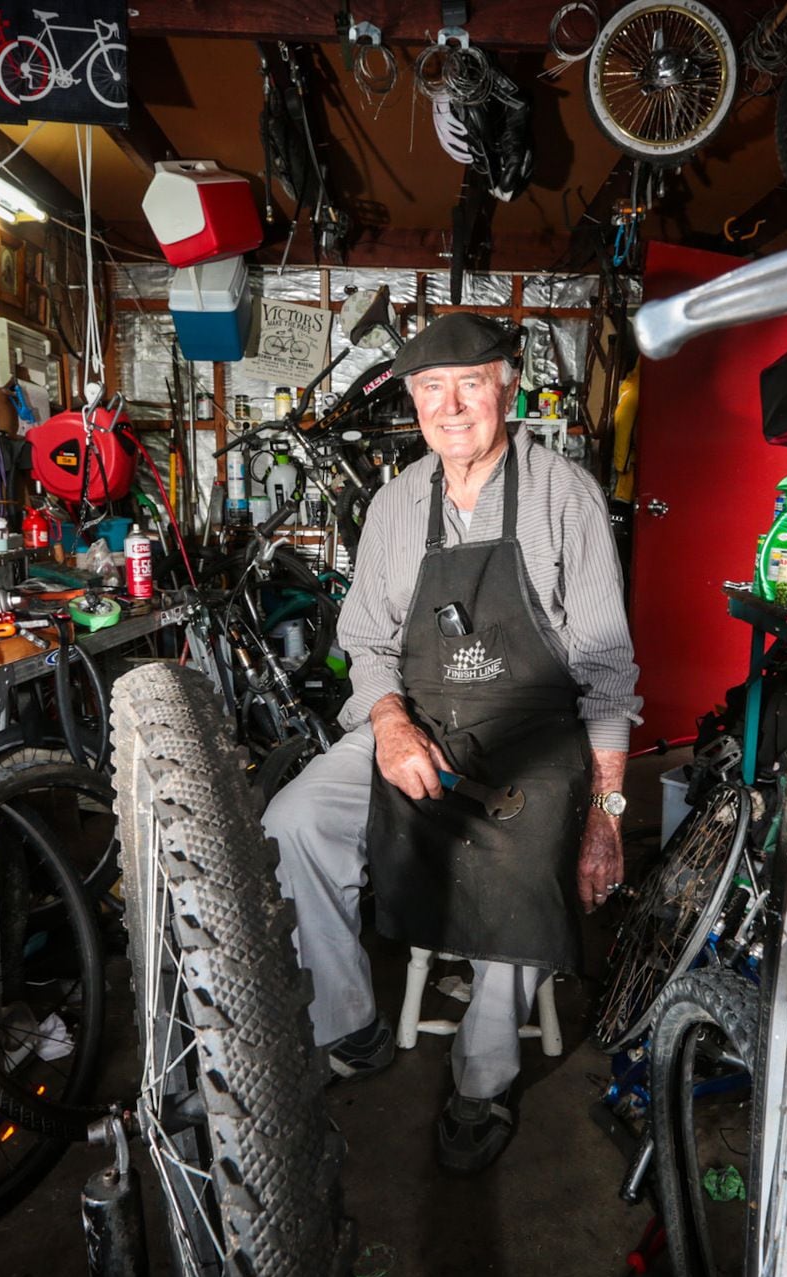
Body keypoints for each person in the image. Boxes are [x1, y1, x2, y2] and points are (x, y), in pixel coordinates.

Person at [263, 313, 641, 1173]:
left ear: (507, 382)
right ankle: (348, 1023)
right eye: (431, 388)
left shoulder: (562, 493)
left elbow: (608, 671)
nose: (452, 404)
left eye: (471, 381)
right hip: (418, 721)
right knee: (294, 821)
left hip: (532, 733)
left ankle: (485, 1070)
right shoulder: (397, 504)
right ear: (413, 402)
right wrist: (389, 724)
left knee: (522, 846)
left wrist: (608, 813)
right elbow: (363, 644)